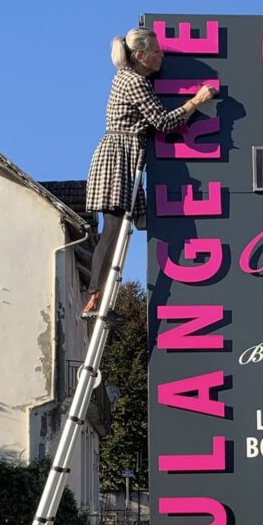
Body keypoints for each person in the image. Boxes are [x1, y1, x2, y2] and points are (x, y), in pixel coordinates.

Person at [83, 27, 216, 316]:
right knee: (115, 228)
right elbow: (163, 122)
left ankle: (99, 294)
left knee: (118, 229)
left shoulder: (130, 78)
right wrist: (195, 102)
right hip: (119, 157)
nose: (161, 56)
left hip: (123, 155)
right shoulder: (134, 82)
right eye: (156, 52)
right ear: (141, 56)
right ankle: (95, 294)